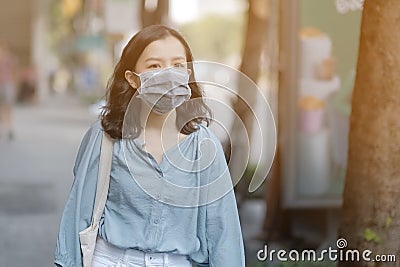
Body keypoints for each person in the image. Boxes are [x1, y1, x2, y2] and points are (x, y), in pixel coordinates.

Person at [54, 25, 245, 267]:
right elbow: (77, 211)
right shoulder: (105, 137)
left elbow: (223, 230)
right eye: (155, 65)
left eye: (177, 65)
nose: (168, 74)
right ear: (133, 79)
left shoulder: (204, 146)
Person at [0, 41, 17, 140]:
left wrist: (14, 84)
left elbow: (15, 71)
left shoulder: (10, 58)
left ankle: (9, 128)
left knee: (8, 107)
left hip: (7, 84)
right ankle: (3, 127)